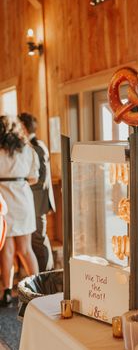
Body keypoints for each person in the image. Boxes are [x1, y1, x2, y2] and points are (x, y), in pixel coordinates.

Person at [0, 115, 39, 306]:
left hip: (2, 201)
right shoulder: (27, 150)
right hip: (22, 199)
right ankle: (37, 289)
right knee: (25, 249)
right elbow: (34, 178)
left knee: (6, 249)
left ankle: (6, 292)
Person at [18, 113, 55, 272]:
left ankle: (45, 276)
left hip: (37, 200)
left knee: (38, 240)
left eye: (19, 126)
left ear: (24, 127)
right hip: (32, 200)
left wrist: (21, 183)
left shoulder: (36, 146)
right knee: (35, 241)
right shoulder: (33, 145)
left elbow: (41, 179)